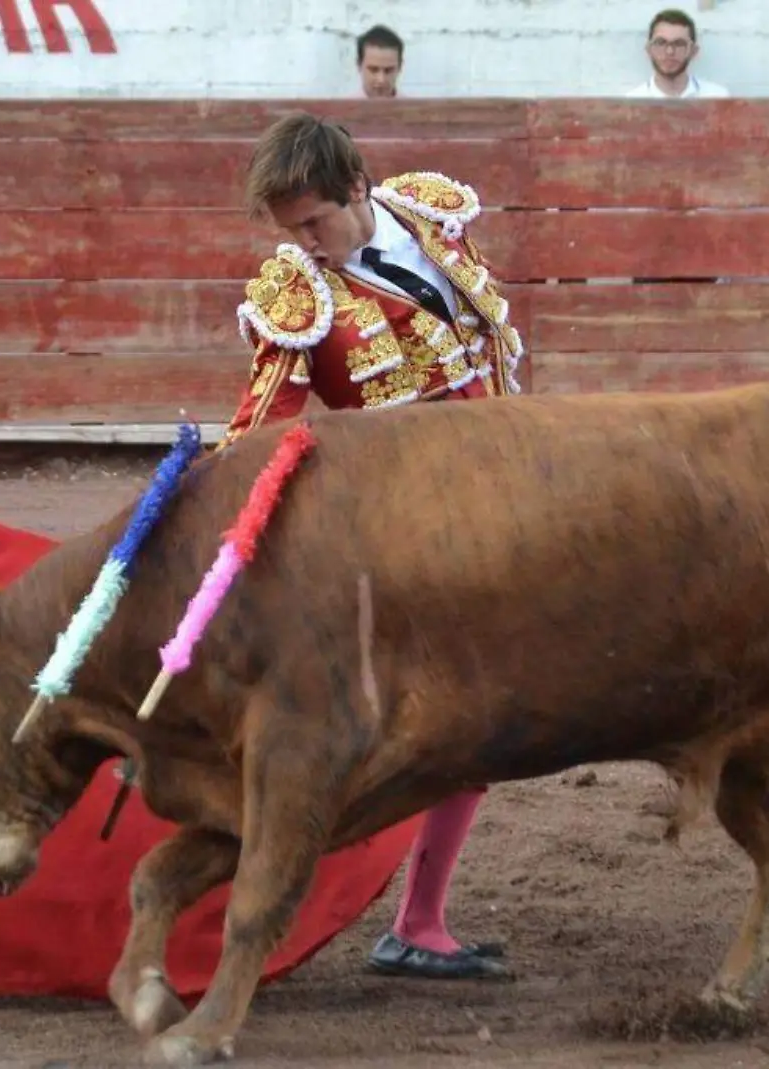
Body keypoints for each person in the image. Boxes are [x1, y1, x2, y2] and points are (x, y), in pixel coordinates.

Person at [212, 111, 528, 981]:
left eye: (314, 223)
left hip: (509, 504)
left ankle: (418, 921)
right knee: (457, 720)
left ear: (357, 188)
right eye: (291, 231)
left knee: (477, 720)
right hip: (412, 537)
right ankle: (388, 915)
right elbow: (252, 436)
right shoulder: (298, 293)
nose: (306, 247)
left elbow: (488, 356)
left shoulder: (429, 215)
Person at [626, 9, 730, 99]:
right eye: (661, 43)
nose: (669, 51)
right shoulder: (631, 103)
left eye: (679, 44)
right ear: (649, 49)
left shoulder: (716, 97)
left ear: (693, 51)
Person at [356, 24, 404, 98]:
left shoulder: (416, 109)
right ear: (359, 65)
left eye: (388, 70)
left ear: (400, 66)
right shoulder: (340, 109)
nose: (381, 80)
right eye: (373, 70)